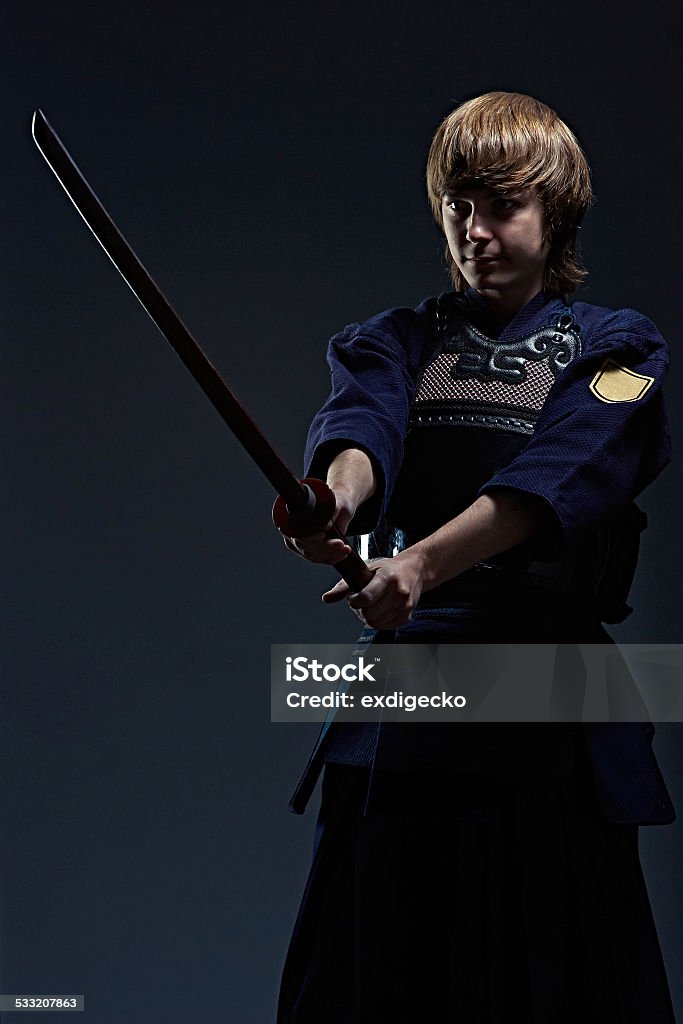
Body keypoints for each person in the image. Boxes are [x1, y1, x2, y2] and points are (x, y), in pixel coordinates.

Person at [276, 92, 676, 1023]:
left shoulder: (622, 350)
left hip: (549, 696)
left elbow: (565, 464)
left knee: (554, 976)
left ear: (556, 213)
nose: (475, 230)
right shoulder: (394, 341)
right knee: (372, 975)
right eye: (459, 205)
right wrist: (333, 498)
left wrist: (419, 566)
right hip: (411, 689)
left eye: (502, 206)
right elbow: (360, 430)